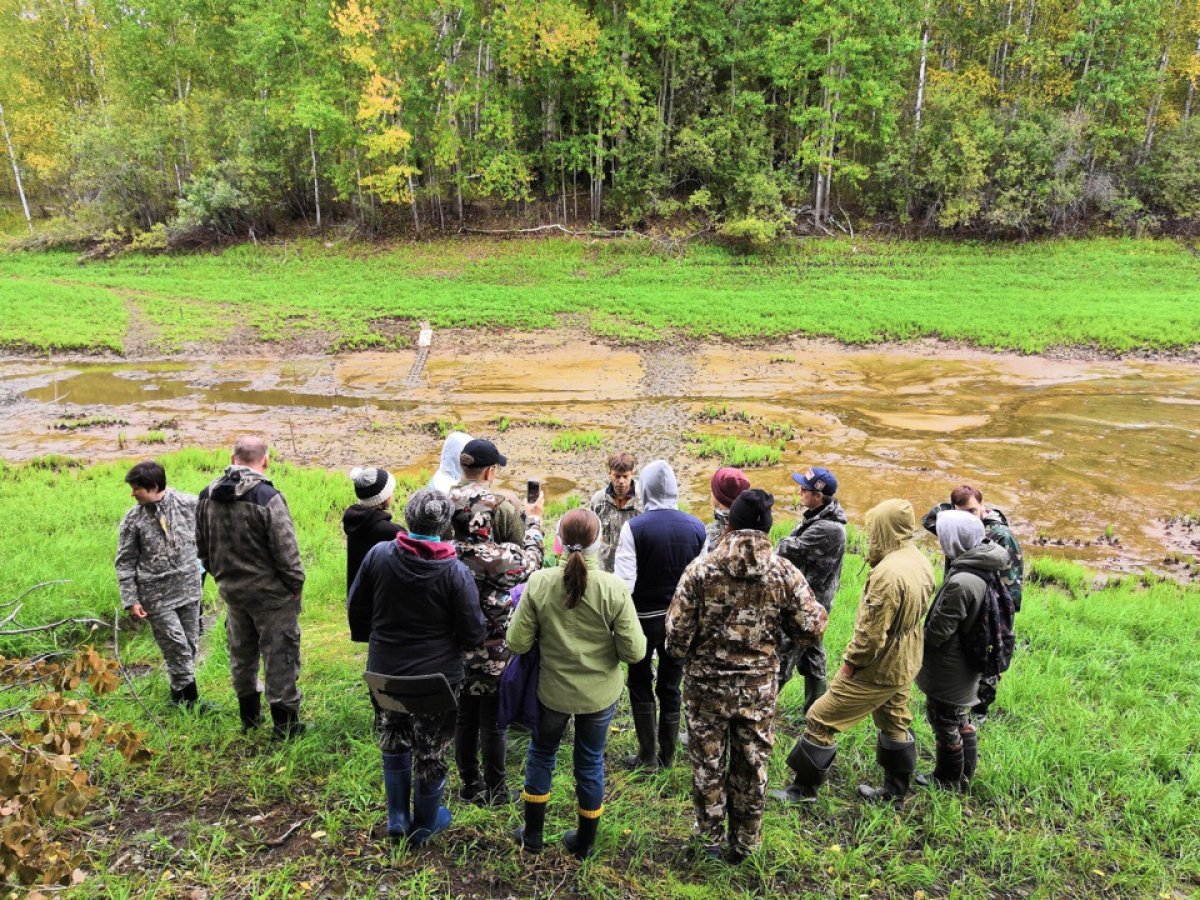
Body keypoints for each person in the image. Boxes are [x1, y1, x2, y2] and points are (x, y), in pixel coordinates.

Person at [666, 489, 828, 863]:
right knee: (752, 766)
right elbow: (811, 628)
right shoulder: (784, 573)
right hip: (757, 693)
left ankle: (707, 840)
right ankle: (745, 844)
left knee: (707, 766)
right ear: (768, 530)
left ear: (730, 525)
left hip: (706, 691)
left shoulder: (701, 571)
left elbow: (675, 640)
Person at [772, 499, 935, 805]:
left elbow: (871, 636)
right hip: (908, 657)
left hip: (879, 664)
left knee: (820, 718)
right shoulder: (920, 559)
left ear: (885, 528)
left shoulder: (887, 574)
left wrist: (851, 664)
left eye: (874, 528)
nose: (870, 534)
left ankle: (802, 791)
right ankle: (896, 791)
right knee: (896, 719)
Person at [347, 489, 486, 845]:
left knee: (393, 738)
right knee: (432, 749)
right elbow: (473, 633)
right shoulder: (455, 572)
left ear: (408, 518)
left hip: (384, 674)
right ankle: (424, 825)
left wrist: (375, 642)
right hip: (436, 681)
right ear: (444, 527)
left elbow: (356, 608)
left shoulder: (379, 555)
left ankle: (397, 817)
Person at [507, 509, 647, 859]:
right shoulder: (613, 588)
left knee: (542, 753)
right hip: (599, 695)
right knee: (590, 761)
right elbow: (635, 651)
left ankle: (533, 835)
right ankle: (583, 843)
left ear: (557, 541)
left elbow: (518, 643)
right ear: (599, 544)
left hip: (551, 692)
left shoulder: (540, 582)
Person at [449, 438, 545, 805]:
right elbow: (530, 559)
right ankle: (496, 789)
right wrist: (534, 520)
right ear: (490, 471)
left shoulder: (442, 514)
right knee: (492, 717)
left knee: (463, 714)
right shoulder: (501, 527)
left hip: (452, 634)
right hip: (492, 637)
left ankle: (467, 784)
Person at [196, 435, 306, 739]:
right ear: (265, 460)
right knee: (280, 657)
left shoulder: (206, 495)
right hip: (271, 597)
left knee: (241, 656)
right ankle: (286, 728)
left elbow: (202, 548)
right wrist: (295, 585)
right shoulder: (267, 497)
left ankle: (250, 719)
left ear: (233, 459)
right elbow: (287, 552)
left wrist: (221, 576)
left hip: (232, 592)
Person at [615, 460, 706, 771]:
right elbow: (701, 581)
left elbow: (624, 585)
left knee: (639, 681)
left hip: (641, 620)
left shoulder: (634, 527)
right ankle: (667, 756)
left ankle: (647, 756)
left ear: (644, 489)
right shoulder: (697, 527)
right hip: (681, 622)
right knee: (670, 684)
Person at [915, 511, 1009, 791]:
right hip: (969, 661)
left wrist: (914, 637)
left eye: (944, 535)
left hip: (950, 666)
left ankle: (946, 779)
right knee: (961, 718)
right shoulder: (982, 564)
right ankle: (964, 777)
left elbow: (939, 632)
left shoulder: (961, 581)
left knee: (944, 720)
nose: (941, 541)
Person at [922, 484, 1024, 721]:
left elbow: (1012, 584)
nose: (969, 517)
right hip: (961, 595)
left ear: (983, 506)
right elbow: (929, 519)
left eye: (973, 510)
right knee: (960, 650)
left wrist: (1002, 617)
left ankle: (980, 709)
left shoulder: (1001, 535)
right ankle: (960, 700)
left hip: (988, 602)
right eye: (962, 512)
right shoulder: (957, 525)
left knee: (986, 656)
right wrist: (956, 514)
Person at [115, 460, 204, 707]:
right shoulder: (133, 519)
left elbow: (213, 530)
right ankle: (191, 702)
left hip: (188, 588)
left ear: (153, 486)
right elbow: (124, 562)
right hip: (155, 595)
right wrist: (130, 599)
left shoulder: (190, 504)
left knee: (190, 645)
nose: (132, 493)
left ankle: (179, 697)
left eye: (136, 488)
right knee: (176, 647)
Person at [775, 466, 847, 713]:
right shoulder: (818, 516)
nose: (799, 491)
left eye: (804, 489)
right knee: (812, 652)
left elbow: (786, 548)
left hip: (806, 604)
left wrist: (781, 541)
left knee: (783, 654)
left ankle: (760, 707)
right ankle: (817, 711)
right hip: (813, 601)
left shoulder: (828, 529)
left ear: (819, 495)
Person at [343, 466, 403, 594]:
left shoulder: (355, 521)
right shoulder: (390, 531)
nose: (392, 494)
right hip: (378, 604)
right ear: (382, 497)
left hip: (355, 597)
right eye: (390, 491)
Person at [588, 452, 641, 572]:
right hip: (606, 567)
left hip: (635, 566)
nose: (621, 481)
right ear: (609, 474)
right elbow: (592, 534)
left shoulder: (643, 501)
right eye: (617, 476)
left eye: (625, 476)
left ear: (632, 474)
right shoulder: (598, 501)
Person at [702, 467, 750, 554]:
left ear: (719, 497)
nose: (711, 492)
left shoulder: (707, 533)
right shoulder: (756, 527)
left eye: (713, 490)